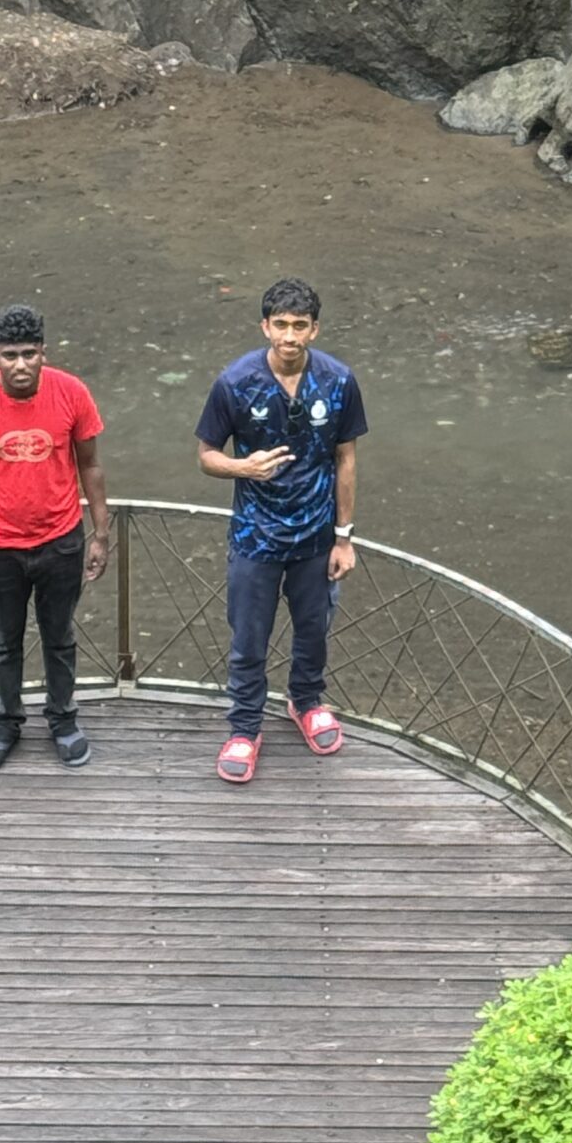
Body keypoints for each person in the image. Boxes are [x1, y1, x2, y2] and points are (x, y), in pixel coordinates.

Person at [195, 277, 367, 785]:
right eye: (280, 325)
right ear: (264, 326)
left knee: (314, 629)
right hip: (255, 536)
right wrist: (243, 468)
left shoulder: (338, 381)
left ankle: (306, 701)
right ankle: (244, 728)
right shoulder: (236, 382)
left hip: (316, 536)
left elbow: (347, 459)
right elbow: (206, 457)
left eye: (299, 326)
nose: (289, 337)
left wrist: (344, 536)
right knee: (249, 638)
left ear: (314, 329)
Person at [0, 304, 111, 771]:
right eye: (10, 355)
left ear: (44, 353)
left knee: (59, 636)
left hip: (61, 541)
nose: (20, 366)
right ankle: (6, 723)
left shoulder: (72, 393)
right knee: (3, 640)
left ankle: (62, 719)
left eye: (30, 354)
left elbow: (91, 465)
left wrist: (101, 534)